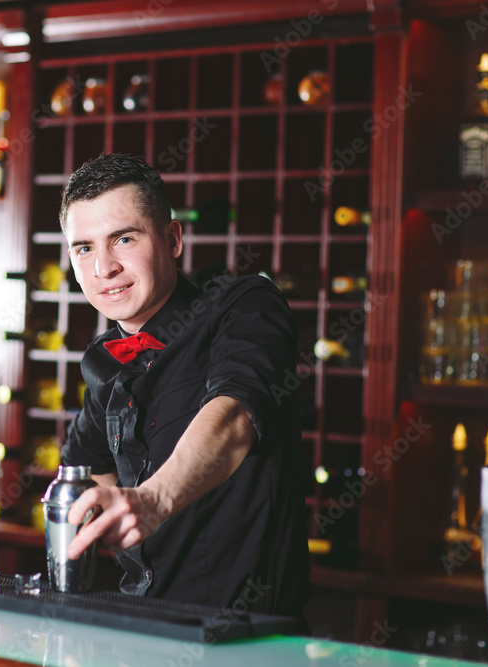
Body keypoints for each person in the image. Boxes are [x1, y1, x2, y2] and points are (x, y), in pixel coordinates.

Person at [59, 153, 310, 617]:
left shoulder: (244, 307)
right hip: (143, 623)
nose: (103, 268)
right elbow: (83, 466)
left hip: (246, 632)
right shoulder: (104, 360)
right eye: (84, 248)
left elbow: (236, 413)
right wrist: (112, 521)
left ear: (172, 239)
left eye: (124, 239)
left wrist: (151, 500)